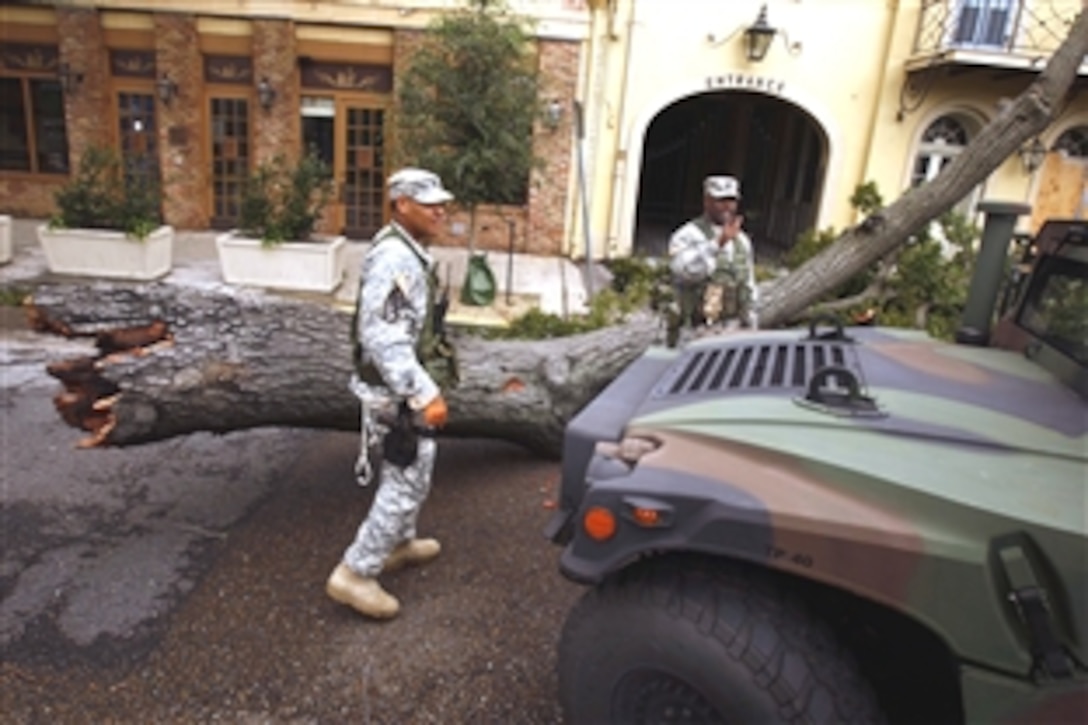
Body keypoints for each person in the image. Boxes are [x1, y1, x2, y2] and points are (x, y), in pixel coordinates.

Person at [327, 167, 455, 620]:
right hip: (394, 392)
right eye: (430, 204)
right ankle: (356, 572)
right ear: (402, 204)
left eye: (443, 202)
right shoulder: (395, 258)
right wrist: (422, 393)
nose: (441, 210)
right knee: (404, 478)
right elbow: (382, 336)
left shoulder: (409, 250)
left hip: (399, 386)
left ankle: (398, 543)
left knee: (418, 469)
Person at [667, 175, 759, 329]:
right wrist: (717, 244)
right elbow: (684, 272)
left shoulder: (742, 240)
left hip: (731, 327)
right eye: (720, 201)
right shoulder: (687, 235)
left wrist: (751, 320)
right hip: (694, 327)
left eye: (731, 201)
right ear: (707, 201)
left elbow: (748, 282)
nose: (726, 206)